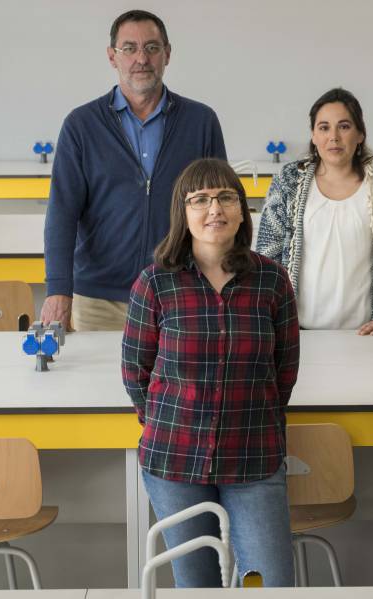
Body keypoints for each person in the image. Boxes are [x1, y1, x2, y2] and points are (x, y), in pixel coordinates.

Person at [122, 158, 297, 587]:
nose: (214, 209)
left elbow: (284, 371)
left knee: (270, 583)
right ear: (182, 215)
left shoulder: (271, 281)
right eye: (199, 200)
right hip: (175, 459)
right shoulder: (155, 282)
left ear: (241, 210)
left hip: (253, 456)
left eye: (225, 198)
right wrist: (174, 420)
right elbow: (135, 371)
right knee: (196, 585)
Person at [44, 9, 227, 331]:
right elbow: (62, 212)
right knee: (95, 382)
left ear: (167, 54)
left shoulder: (201, 122)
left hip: (180, 291)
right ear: (112, 56)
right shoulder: (81, 125)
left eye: (152, 48)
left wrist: (221, 277)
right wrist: (58, 288)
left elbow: (220, 209)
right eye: (129, 48)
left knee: (180, 382)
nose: (141, 58)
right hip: (99, 300)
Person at [256, 87, 373, 334]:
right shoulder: (288, 181)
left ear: (360, 134)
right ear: (313, 135)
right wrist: (273, 317)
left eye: (344, 126)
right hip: (298, 334)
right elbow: (267, 256)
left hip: (368, 334)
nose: (334, 137)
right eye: (324, 127)